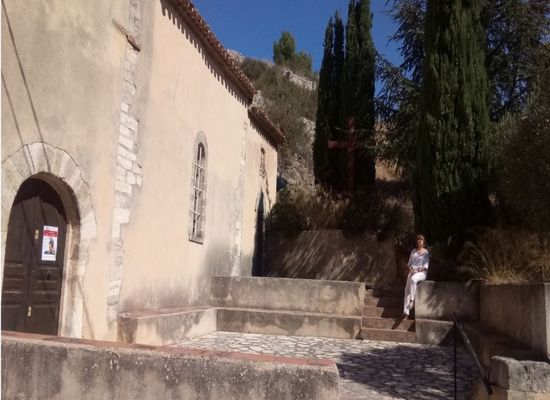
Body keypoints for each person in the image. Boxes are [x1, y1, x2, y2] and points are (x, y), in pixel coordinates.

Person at [403, 234, 429, 318]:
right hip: (412, 272)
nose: (419, 241)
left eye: (421, 239)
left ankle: (412, 301)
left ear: (424, 242)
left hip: (421, 273)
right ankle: (406, 312)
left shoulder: (426, 252)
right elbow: (409, 264)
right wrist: (411, 270)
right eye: (418, 239)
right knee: (407, 291)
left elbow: (425, 266)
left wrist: (417, 270)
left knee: (414, 279)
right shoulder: (413, 251)